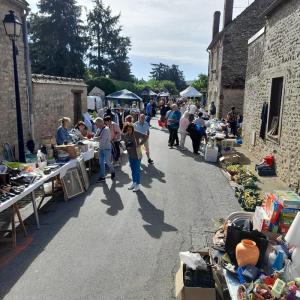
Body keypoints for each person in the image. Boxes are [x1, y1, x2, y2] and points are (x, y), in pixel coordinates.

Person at [122, 123, 148, 192]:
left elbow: (146, 136)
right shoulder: (125, 135)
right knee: (133, 170)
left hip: (137, 154)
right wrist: (124, 145)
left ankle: (138, 185)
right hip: (130, 155)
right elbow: (124, 143)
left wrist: (140, 144)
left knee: (136, 170)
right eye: (128, 130)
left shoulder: (135, 133)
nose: (129, 131)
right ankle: (134, 182)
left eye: (130, 129)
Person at [94, 117, 115, 182]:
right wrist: (98, 138)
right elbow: (95, 136)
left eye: (96, 124)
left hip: (107, 148)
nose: (96, 125)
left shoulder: (106, 129)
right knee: (101, 163)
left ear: (100, 123)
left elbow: (102, 140)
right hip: (101, 148)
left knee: (108, 162)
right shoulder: (99, 129)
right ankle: (102, 177)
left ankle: (112, 171)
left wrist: (97, 138)